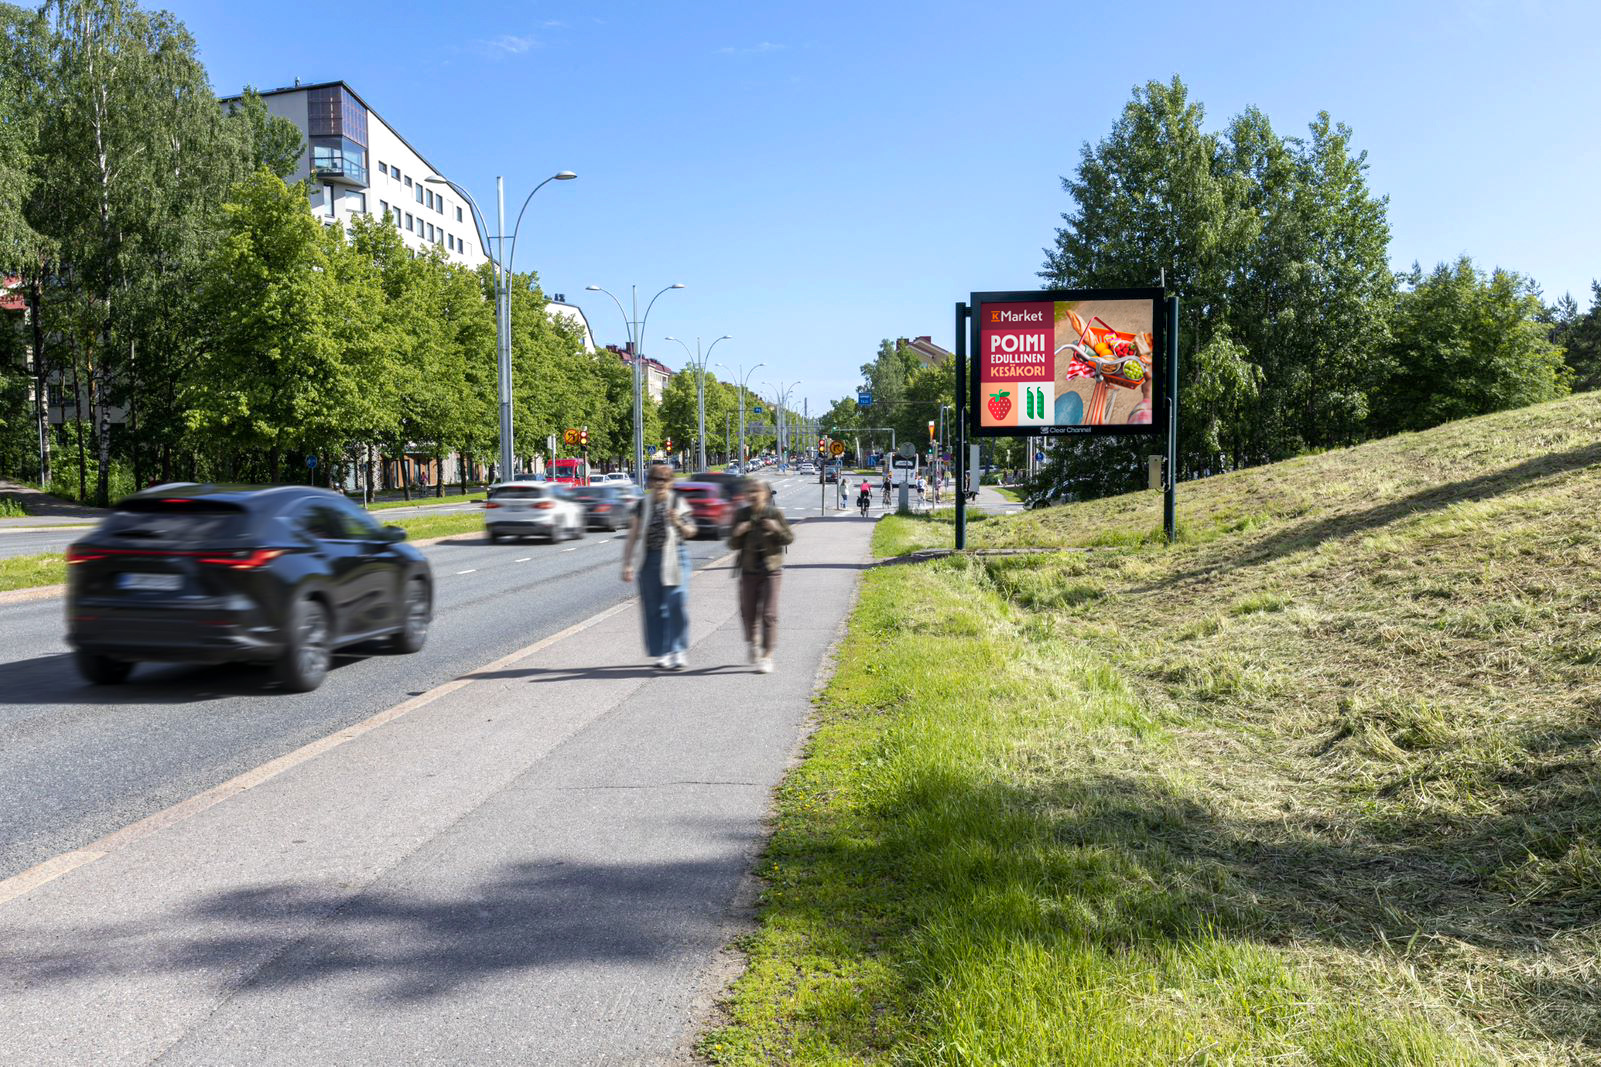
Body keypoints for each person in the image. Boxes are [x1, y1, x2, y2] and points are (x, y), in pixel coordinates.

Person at [621, 463, 698, 669]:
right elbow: (633, 536)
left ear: (671, 482)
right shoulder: (642, 504)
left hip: (675, 557)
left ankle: (678, 649)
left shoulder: (677, 502)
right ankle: (662, 652)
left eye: (664, 480)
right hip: (650, 558)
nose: (659, 484)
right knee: (654, 607)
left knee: (676, 602)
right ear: (650, 482)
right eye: (655, 479)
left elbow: (691, 531)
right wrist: (627, 563)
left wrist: (678, 522)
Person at [728, 479, 794, 674]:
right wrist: (738, 532)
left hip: (771, 570)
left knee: (769, 614)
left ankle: (767, 655)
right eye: (750, 492)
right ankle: (753, 642)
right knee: (748, 613)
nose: (754, 495)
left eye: (757, 491)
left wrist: (776, 528)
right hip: (748, 570)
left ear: (765, 494)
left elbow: (789, 538)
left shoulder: (775, 514)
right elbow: (732, 544)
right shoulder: (742, 514)